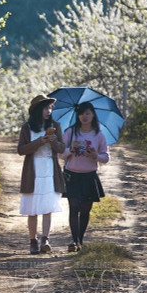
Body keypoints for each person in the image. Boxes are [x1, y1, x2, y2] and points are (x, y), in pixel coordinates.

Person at [17, 94, 66, 254]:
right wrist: (40, 141)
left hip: (50, 169)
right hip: (33, 170)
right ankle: (33, 240)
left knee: (47, 206)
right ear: (38, 110)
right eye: (46, 108)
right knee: (32, 207)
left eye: (50, 108)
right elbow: (21, 150)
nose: (49, 111)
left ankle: (45, 239)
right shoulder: (27, 127)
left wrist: (52, 141)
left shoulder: (55, 125)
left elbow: (61, 148)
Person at [60, 102, 109, 252]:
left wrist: (95, 156)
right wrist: (70, 150)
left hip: (89, 176)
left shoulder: (98, 134)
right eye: (81, 114)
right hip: (72, 175)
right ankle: (74, 241)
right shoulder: (70, 132)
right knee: (74, 208)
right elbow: (60, 154)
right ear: (78, 115)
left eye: (87, 113)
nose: (84, 117)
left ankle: (80, 240)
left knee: (85, 210)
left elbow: (105, 157)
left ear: (93, 114)